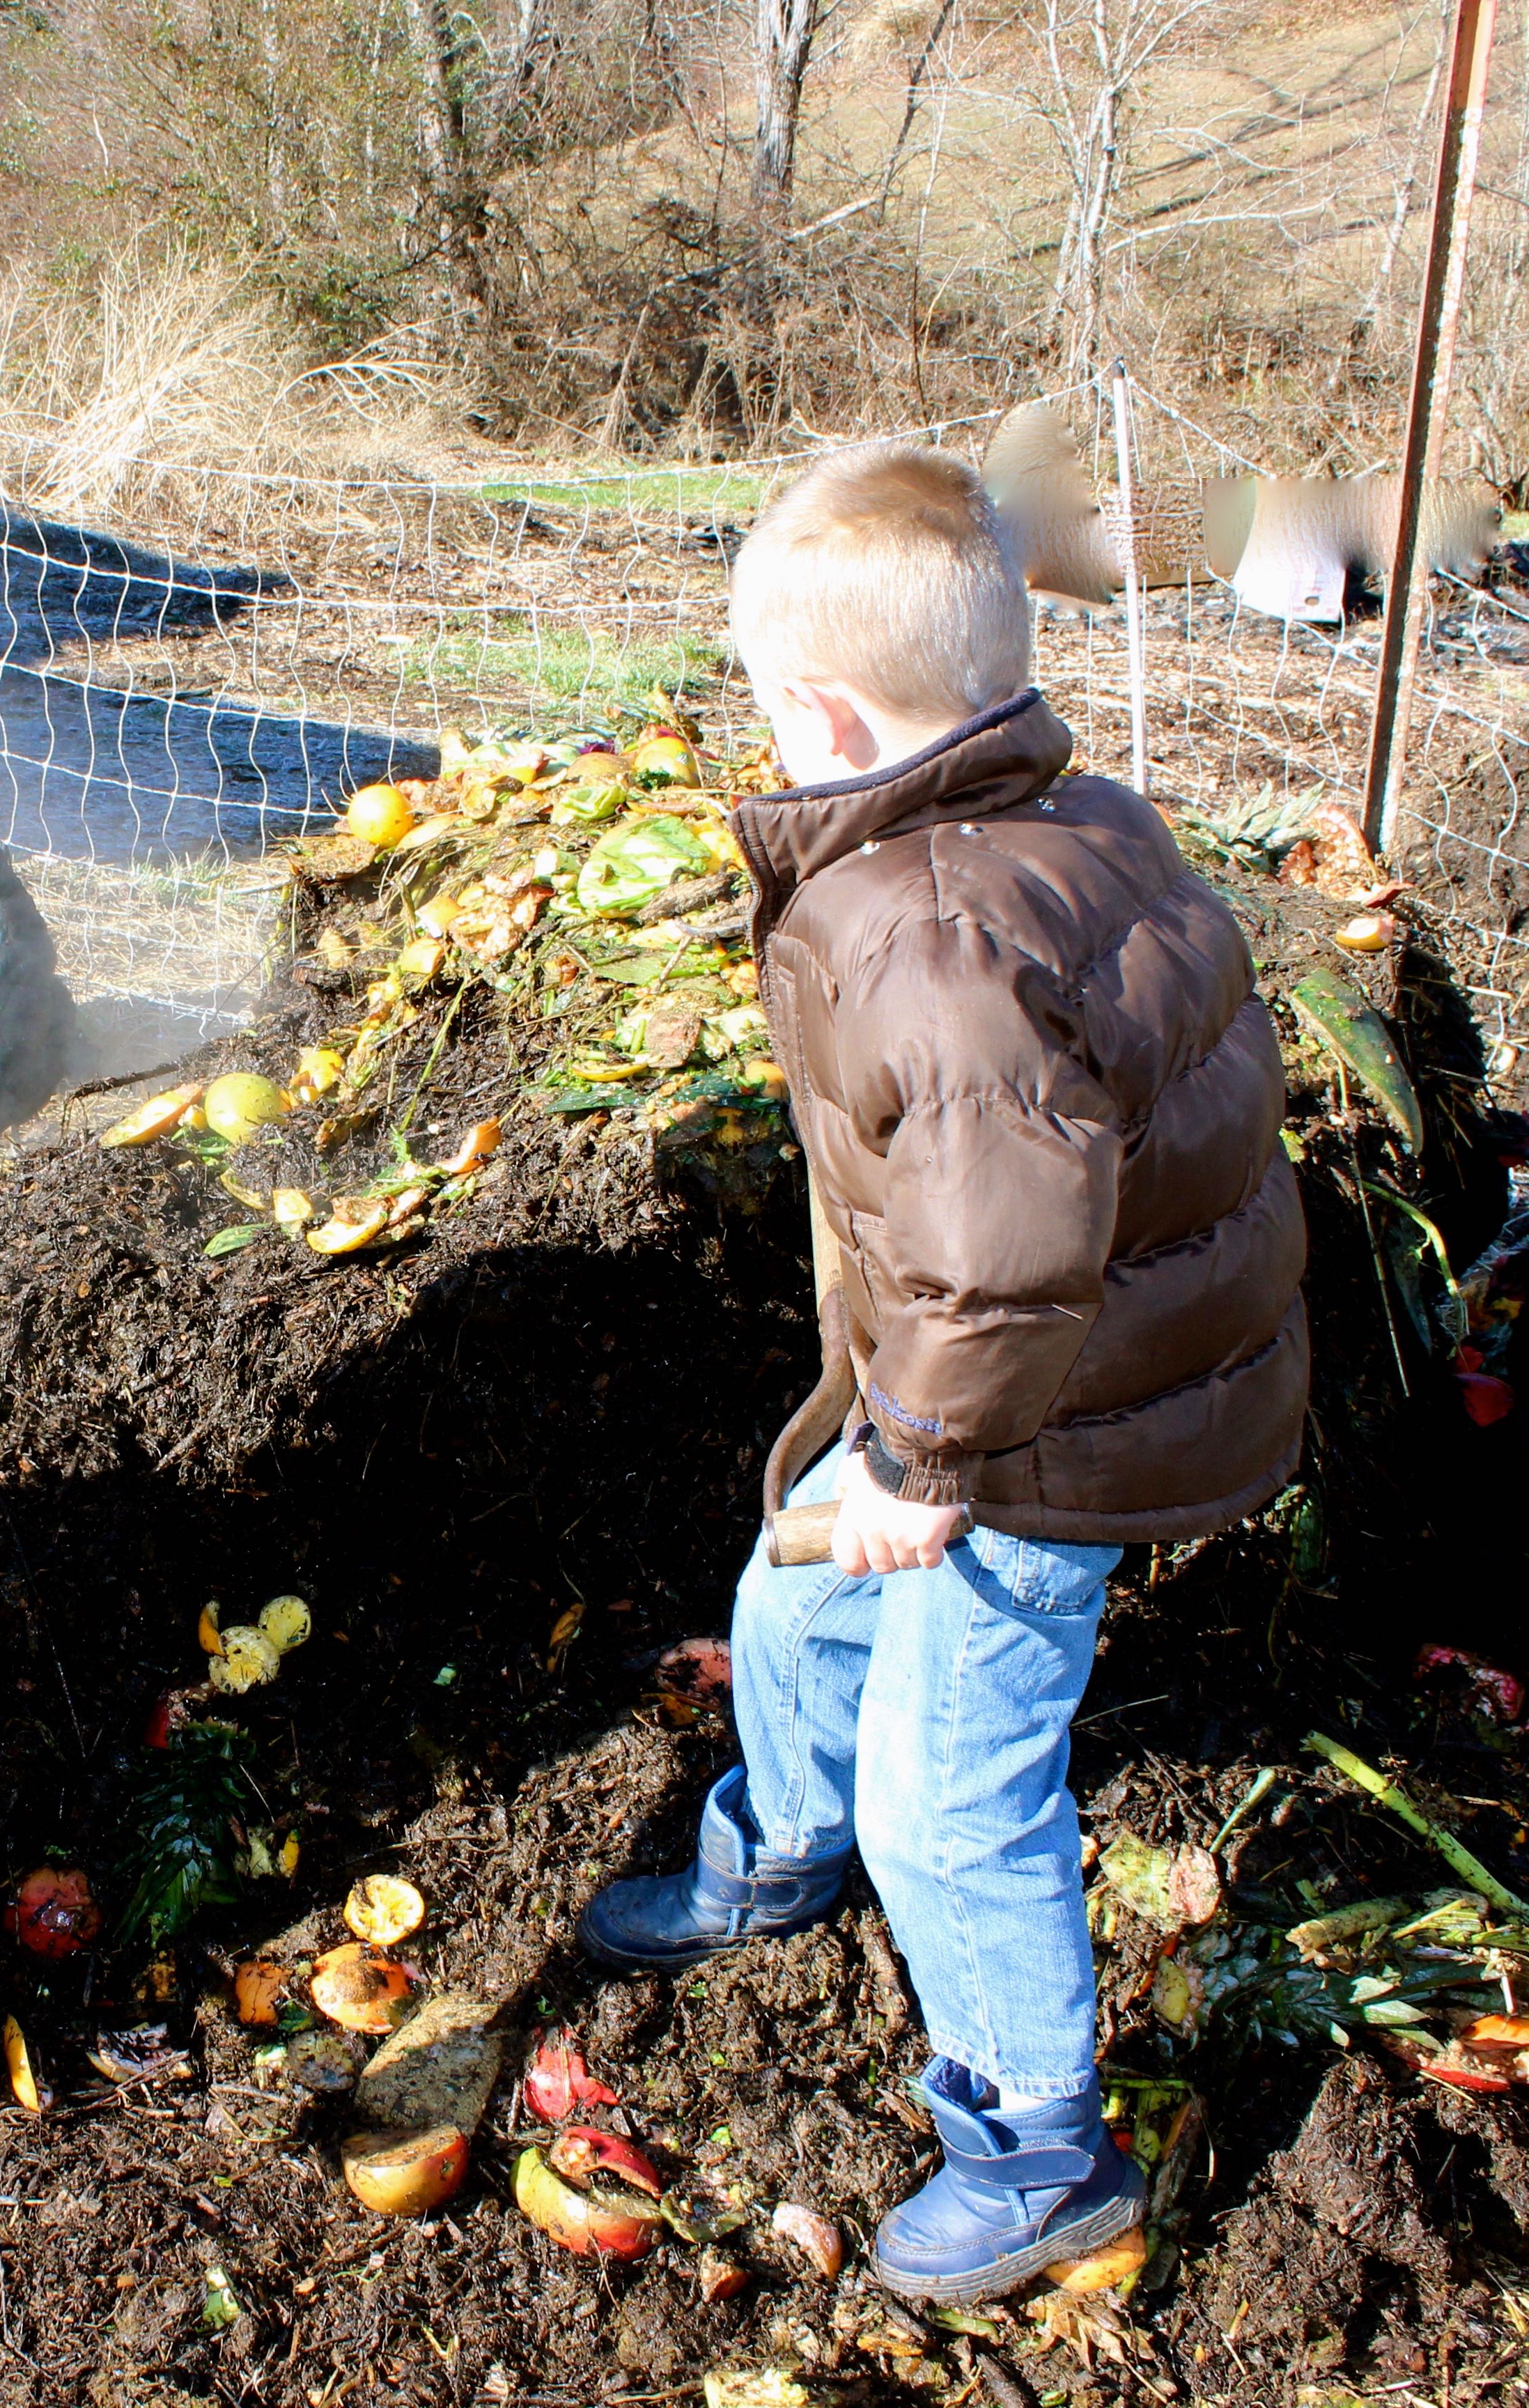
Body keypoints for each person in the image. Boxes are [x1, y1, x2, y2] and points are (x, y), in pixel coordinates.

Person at [577, 444, 1307, 2303]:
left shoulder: (928, 938)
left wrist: (921, 1464)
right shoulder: (1065, 821)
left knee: (955, 1788)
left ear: (822, 711)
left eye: (765, 711)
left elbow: (1004, 1261)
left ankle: (1039, 2143)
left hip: (1047, 1427)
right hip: (1029, 1367)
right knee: (790, 1591)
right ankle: (780, 1854)